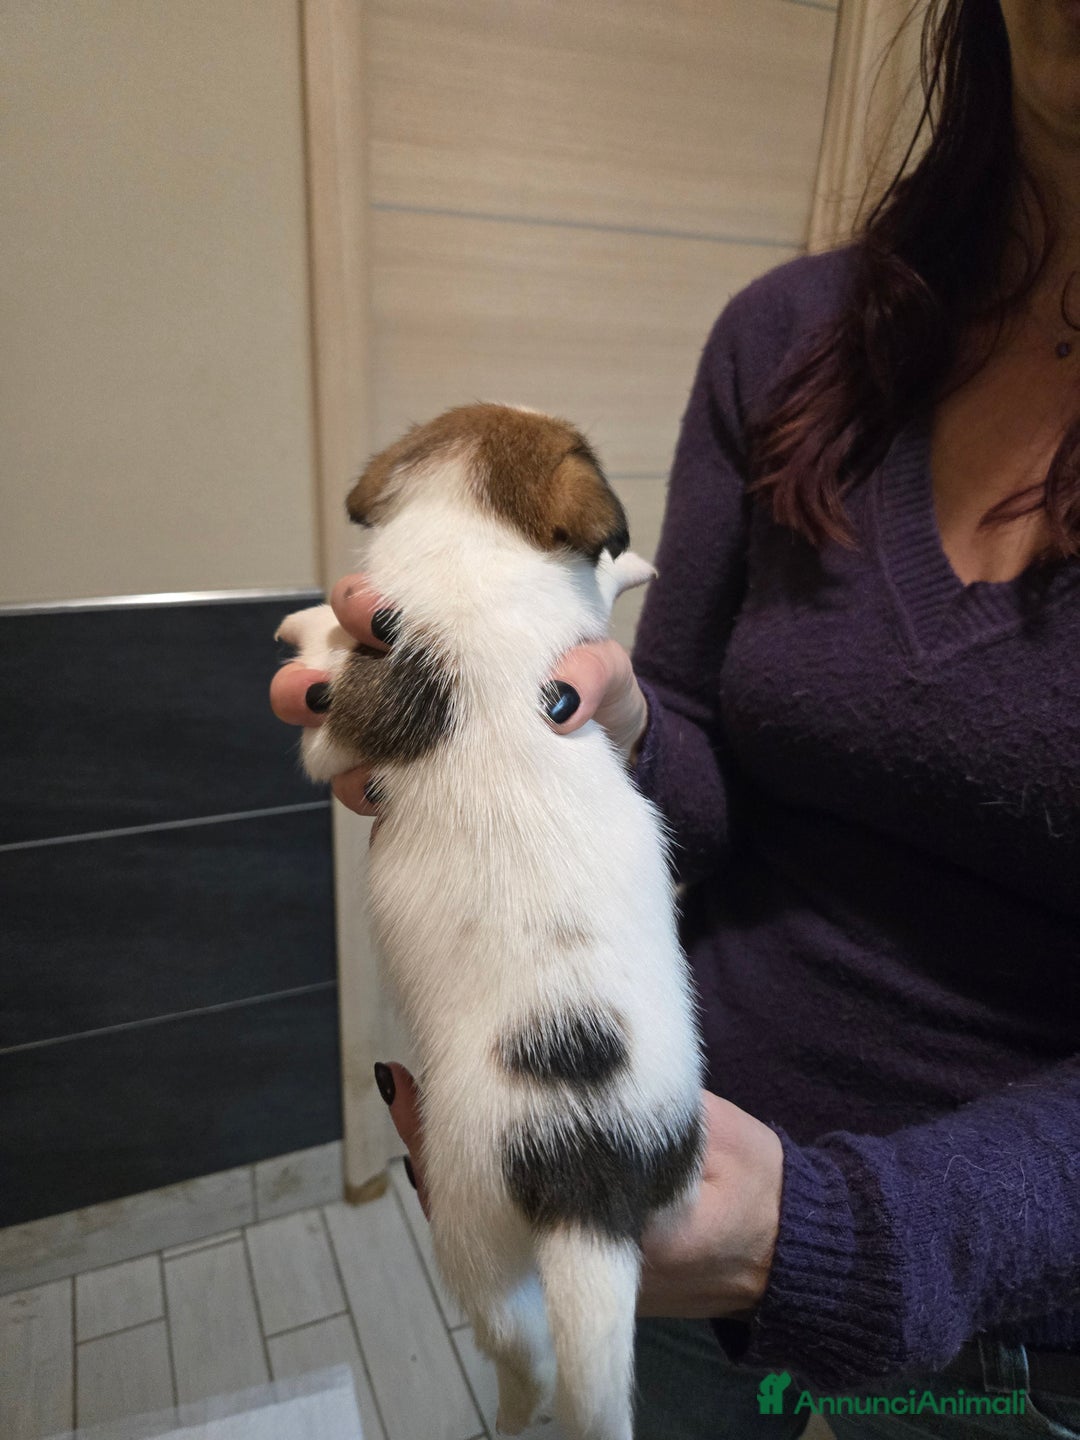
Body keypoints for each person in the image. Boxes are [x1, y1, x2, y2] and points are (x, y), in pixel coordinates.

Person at [271, 1, 1080, 1434]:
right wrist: (617, 730)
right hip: (671, 1190)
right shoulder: (794, 343)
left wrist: (846, 1233)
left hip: (1015, 1323)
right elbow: (701, 765)